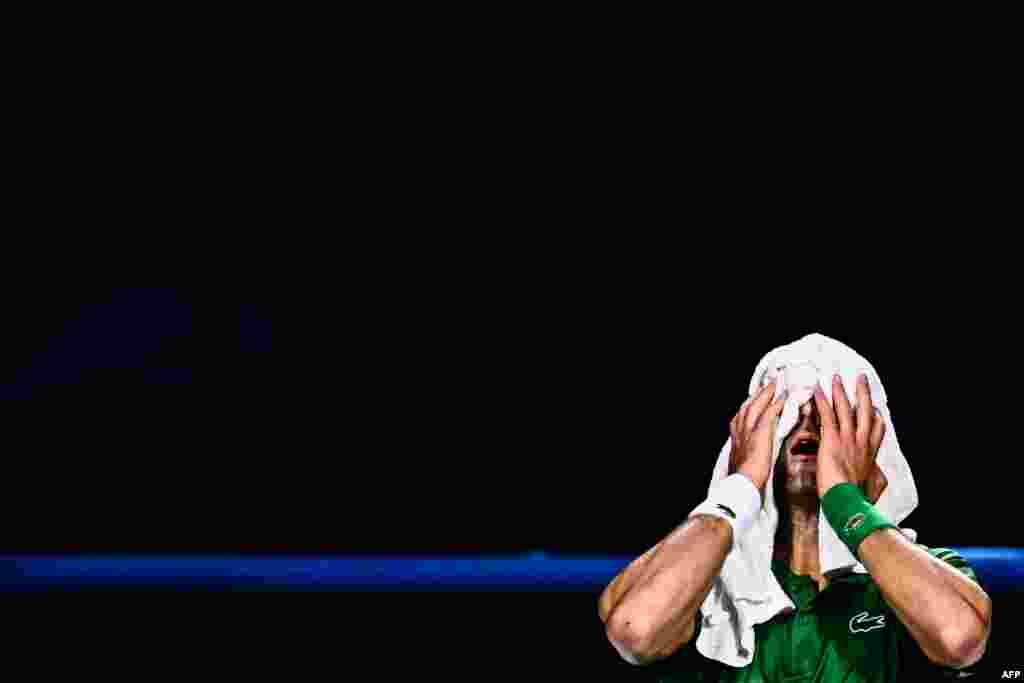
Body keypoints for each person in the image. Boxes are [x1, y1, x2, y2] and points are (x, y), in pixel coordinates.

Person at [598, 374, 992, 681]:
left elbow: (958, 638)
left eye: (829, 421)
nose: (807, 427)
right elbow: (637, 630)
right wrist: (740, 486)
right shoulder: (705, 587)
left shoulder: (928, 569)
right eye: (789, 417)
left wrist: (843, 497)